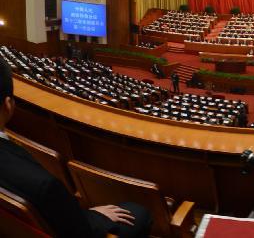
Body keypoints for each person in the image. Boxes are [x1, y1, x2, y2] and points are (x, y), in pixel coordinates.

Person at [0, 58, 151, 238]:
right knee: (140, 213)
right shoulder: (44, 185)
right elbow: (81, 232)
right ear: (8, 105)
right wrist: (96, 216)